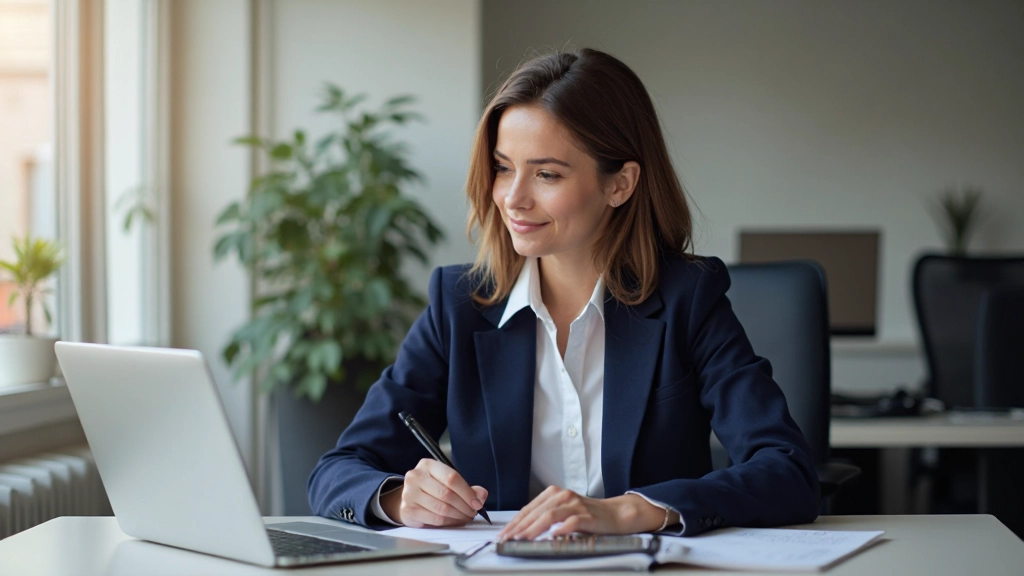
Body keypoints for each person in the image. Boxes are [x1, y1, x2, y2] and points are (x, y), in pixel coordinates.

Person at [308, 47, 819, 539]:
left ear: (620, 184)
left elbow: (787, 470)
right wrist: (399, 497)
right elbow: (338, 472)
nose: (513, 197)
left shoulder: (688, 299)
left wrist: (632, 511)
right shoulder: (459, 306)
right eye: (504, 167)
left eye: (546, 174)